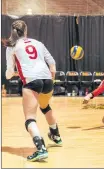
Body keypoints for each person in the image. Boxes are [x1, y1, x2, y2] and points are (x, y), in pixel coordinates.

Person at [2, 20, 62, 162]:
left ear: (13, 32)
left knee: (29, 118)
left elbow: (10, 72)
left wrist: (8, 75)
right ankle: (56, 135)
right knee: (45, 107)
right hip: (47, 80)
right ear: (26, 31)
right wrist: (51, 76)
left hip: (32, 81)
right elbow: (52, 62)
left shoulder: (12, 47)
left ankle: (40, 148)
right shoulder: (38, 43)